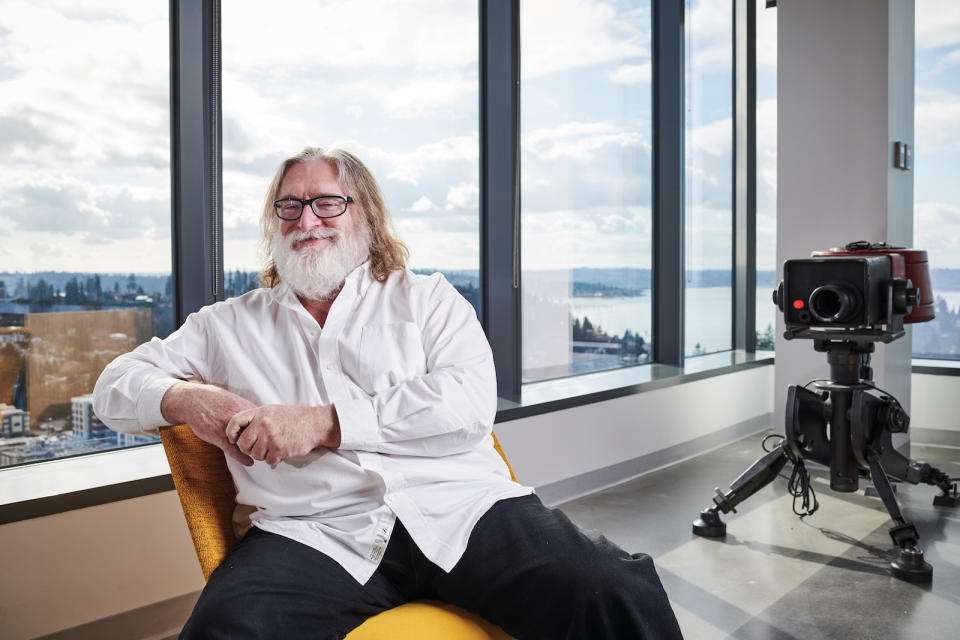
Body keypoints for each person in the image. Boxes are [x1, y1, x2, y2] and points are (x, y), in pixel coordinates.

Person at [93, 147, 682, 639]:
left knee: (610, 590)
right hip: (315, 530)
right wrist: (188, 399)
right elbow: (113, 387)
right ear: (274, 224)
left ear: (366, 217)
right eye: (290, 206)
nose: (307, 220)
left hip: (460, 508)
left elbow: (468, 402)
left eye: (327, 203)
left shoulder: (428, 300)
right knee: (224, 627)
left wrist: (324, 423)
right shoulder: (226, 326)